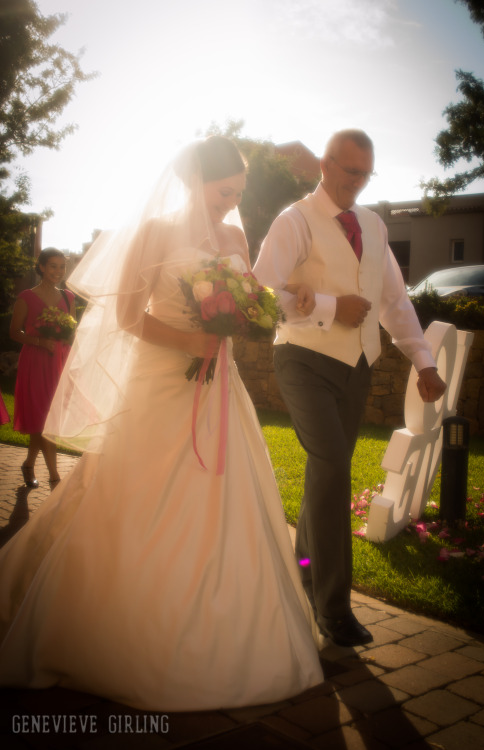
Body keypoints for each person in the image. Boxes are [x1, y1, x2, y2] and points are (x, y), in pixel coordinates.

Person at [0, 136, 323, 711]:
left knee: (227, 498)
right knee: (130, 497)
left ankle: (228, 627)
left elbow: (250, 295)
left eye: (239, 194)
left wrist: (258, 309)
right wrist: (190, 339)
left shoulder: (234, 235)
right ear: (197, 179)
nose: (231, 204)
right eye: (226, 192)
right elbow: (126, 317)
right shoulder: (154, 232)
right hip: (159, 382)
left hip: (217, 386)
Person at [253, 129, 446, 647]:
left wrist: (423, 361)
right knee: (335, 465)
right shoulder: (294, 220)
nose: (356, 182)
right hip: (301, 358)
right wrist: (330, 307)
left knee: (326, 470)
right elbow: (262, 293)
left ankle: (306, 569)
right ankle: (334, 607)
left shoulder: (374, 225)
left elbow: (394, 301)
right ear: (325, 164)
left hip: (356, 364)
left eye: (365, 174)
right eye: (349, 171)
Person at [9, 248, 76, 488]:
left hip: (59, 362)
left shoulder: (69, 297)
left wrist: (68, 344)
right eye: (52, 266)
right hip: (36, 362)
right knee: (43, 417)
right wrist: (40, 341)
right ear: (41, 267)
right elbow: (14, 333)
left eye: (61, 267)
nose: (58, 271)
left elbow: (71, 332)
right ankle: (55, 478)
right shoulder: (26, 297)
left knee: (48, 418)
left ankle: (28, 464)